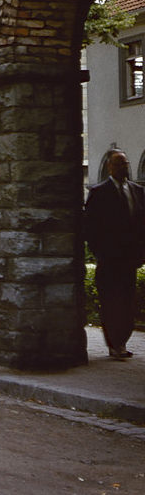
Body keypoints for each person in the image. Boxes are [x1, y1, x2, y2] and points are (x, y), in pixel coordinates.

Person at [84, 149, 145, 359]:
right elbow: (90, 227)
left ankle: (123, 341)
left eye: (126, 163)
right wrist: (100, 253)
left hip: (130, 260)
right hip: (109, 259)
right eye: (119, 164)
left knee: (128, 302)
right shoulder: (99, 192)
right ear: (110, 167)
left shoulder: (137, 191)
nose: (124, 167)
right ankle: (114, 344)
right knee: (111, 302)